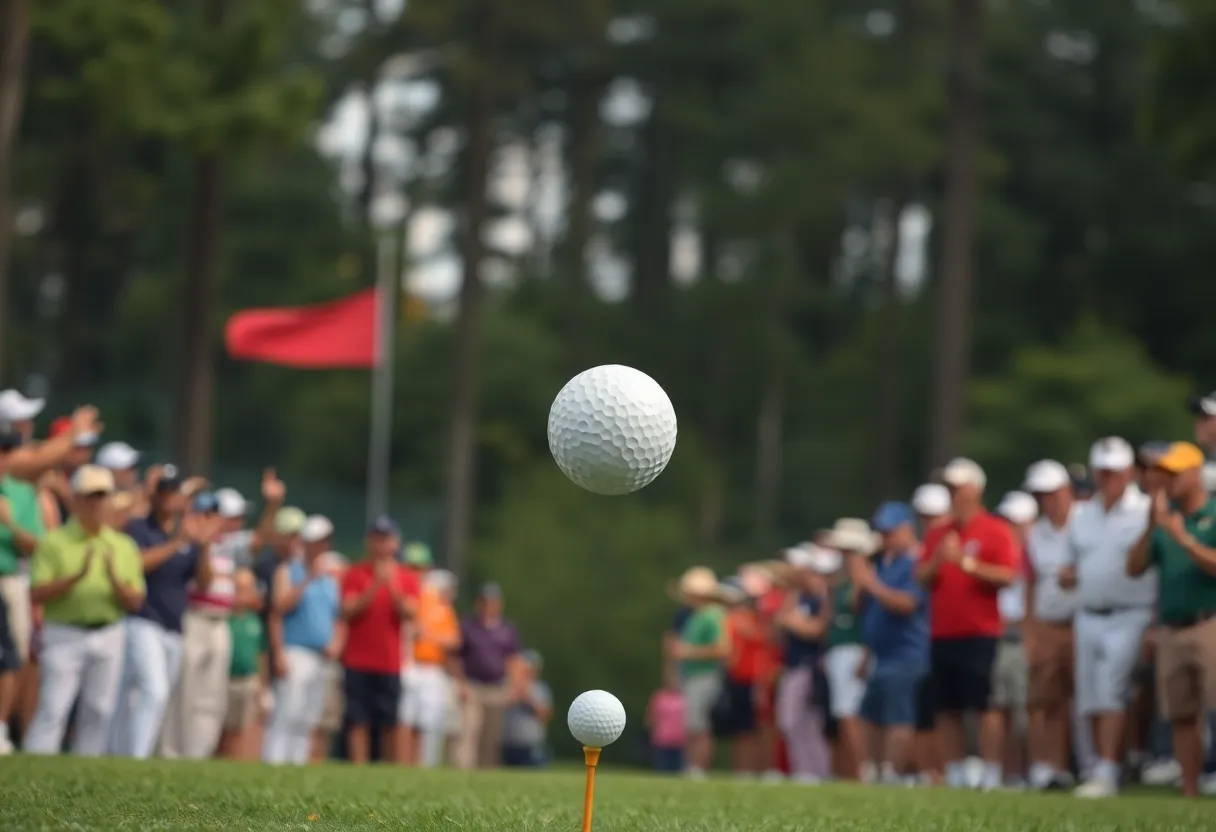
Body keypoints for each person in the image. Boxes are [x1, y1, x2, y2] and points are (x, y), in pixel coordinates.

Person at [24, 465, 145, 755]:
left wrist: (116, 581)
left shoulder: (122, 544)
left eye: (102, 497)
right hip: (64, 631)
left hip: (108, 630)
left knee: (100, 708)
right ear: (76, 500)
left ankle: (87, 769)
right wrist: (74, 578)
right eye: (90, 497)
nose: (97, 504)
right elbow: (36, 593)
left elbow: (136, 600)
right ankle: (37, 768)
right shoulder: (55, 541)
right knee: (54, 705)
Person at [917, 457, 1018, 792]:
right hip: (943, 631)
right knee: (947, 707)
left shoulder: (994, 529)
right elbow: (922, 578)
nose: (950, 494)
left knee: (984, 705)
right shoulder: (938, 533)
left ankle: (991, 772)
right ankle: (956, 772)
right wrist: (938, 560)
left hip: (980, 630)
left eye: (955, 487)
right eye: (948, 488)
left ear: (974, 490)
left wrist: (966, 563)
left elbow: (1006, 575)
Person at [1062, 437, 1154, 798]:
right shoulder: (1083, 514)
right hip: (1088, 613)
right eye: (1102, 471)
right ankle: (1097, 766)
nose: (1106, 478)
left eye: (1113, 472)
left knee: (1110, 687)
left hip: (1131, 612)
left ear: (1129, 472)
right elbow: (1073, 561)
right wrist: (1068, 574)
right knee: (1089, 694)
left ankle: (1108, 769)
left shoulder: (1145, 509)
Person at [110, 465, 218, 759]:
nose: (170, 497)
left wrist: (204, 547)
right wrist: (178, 543)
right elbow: (137, 564)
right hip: (142, 620)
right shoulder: (139, 528)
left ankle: (125, 754)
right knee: (152, 691)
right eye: (165, 491)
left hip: (174, 626)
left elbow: (205, 582)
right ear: (155, 496)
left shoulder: (188, 530)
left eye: (175, 491)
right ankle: (137, 758)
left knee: (148, 695)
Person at [1127, 442, 1216, 798]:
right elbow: (1133, 568)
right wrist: (1152, 527)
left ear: (1195, 474)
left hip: (1210, 623)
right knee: (1182, 713)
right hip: (1173, 626)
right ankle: (1190, 790)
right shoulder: (1164, 519)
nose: (1167, 482)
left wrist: (1184, 539)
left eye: (1174, 475)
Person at [855, 501, 930, 786]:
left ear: (907, 530)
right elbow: (865, 611)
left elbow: (907, 604)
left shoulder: (915, 563)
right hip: (882, 654)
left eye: (890, 532)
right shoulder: (884, 563)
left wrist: (872, 584)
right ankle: (873, 771)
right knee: (871, 715)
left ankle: (892, 773)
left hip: (907, 652)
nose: (884, 538)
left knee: (899, 717)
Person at [340, 516, 418, 765]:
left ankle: (388, 766)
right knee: (357, 718)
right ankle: (359, 765)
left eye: (386, 539)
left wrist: (391, 584)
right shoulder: (354, 573)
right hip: (358, 658)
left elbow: (410, 612)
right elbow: (348, 609)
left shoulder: (406, 577)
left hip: (389, 659)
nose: (381, 544)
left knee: (389, 720)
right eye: (377, 538)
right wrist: (374, 584)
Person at [1022, 459, 1079, 791]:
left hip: (1081, 620)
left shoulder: (1084, 522)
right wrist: (1031, 631)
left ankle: (1092, 765)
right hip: (1048, 623)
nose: (1048, 501)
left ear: (1067, 490)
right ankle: (1052, 767)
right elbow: (1029, 583)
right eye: (1041, 495)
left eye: (1052, 493)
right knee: (1049, 700)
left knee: (1085, 700)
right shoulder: (1035, 533)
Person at [263, 522, 341, 765]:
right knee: (287, 713)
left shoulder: (330, 579)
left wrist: (336, 643)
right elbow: (278, 610)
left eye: (326, 541)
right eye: (319, 541)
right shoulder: (288, 571)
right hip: (294, 651)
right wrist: (278, 654)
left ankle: (296, 766)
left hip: (320, 657)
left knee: (307, 718)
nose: (323, 546)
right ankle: (274, 764)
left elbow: (338, 618)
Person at [0, 425, 45, 754]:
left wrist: (10, 524)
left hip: (9, 578)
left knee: (12, 656)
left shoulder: (22, 492)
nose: (3, 457)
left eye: (7, 450)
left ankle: (1, 729)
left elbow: (34, 545)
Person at [774, 546, 833, 784]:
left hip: (810, 666)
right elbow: (779, 624)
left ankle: (815, 771)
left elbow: (817, 630)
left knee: (802, 721)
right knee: (795, 722)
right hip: (794, 665)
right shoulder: (799, 597)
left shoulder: (820, 598)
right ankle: (806, 769)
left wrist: (794, 623)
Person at [821, 519, 874, 782]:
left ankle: (865, 769)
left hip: (855, 648)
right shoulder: (839, 580)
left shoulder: (863, 578)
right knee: (844, 714)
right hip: (839, 648)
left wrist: (866, 652)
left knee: (852, 713)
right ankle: (855, 770)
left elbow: (864, 613)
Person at [667, 567, 729, 780]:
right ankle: (691, 766)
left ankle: (699, 768)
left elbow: (722, 648)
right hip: (694, 675)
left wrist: (688, 652)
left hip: (706, 675)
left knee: (699, 726)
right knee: (693, 724)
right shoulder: (698, 615)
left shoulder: (712, 615)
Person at [994, 490, 1038, 789]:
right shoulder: (1000, 553)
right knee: (1002, 711)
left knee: (1028, 712)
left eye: (1016, 522)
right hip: (999, 638)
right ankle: (1009, 775)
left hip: (1026, 639)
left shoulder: (1037, 555)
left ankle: (1032, 772)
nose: (1010, 528)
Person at [456, 582, 521, 770]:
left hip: (498, 687)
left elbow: (513, 659)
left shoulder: (507, 629)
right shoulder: (468, 627)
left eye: (492, 601)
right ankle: (463, 770)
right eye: (484, 601)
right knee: (468, 730)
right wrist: (461, 683)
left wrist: (514, 687)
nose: (488, 606)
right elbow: (456, 657)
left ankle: (486, 772)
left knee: (491, 736)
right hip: (472, 685)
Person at [402, 567, 460, 767]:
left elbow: (453, 640)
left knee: (429, 721)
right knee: (409, 719)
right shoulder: (423, 602)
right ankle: (408, 763)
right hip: (414, 664)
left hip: (433, 667)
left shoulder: (443, 608)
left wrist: (430, 636)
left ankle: (425, 763)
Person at [218, 568, 264, 760]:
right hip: (223, 680)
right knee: (219, 727)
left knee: (240, 728)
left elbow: (261, 654)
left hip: (247, 680)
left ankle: (233, 763)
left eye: (247, 589)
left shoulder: (254, 621)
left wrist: (262, 684)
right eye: (238, 589)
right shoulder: (222, 619)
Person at [501, 649, 553, 768]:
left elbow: (545, 714)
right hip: (508, 743)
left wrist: (526, 697)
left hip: (531, 743)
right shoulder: (507, 686)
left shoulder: (540, 688)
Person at [647, 669, 686, 773]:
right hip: (662, 739)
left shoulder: (684, 697)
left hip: (680, 741)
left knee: (679, 770)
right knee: (662, 769)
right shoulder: (659, 697)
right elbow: (651, 716)